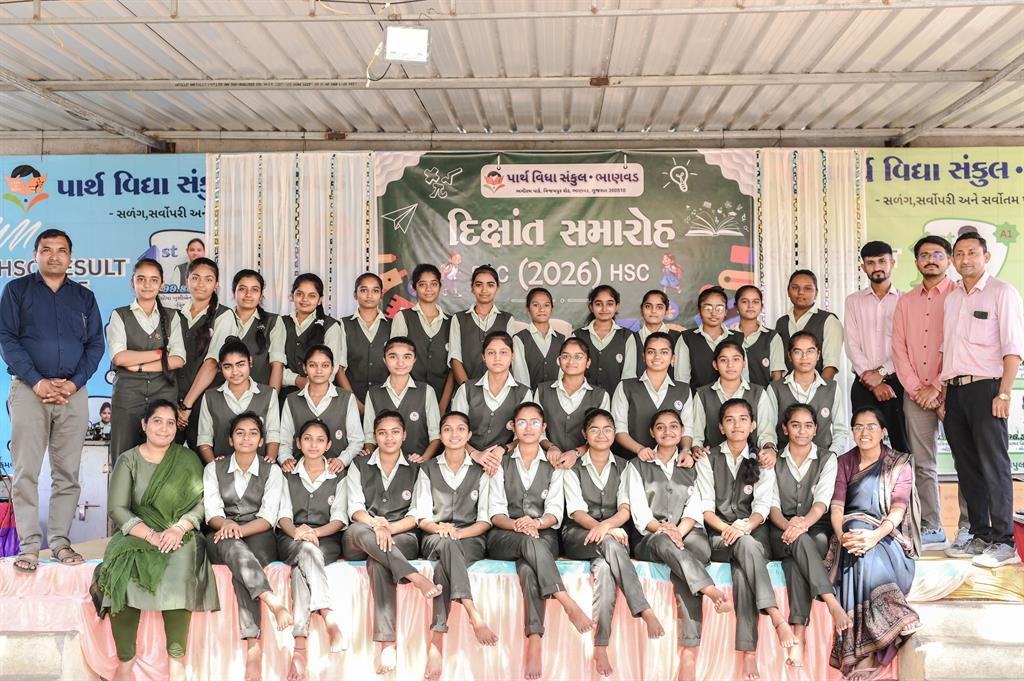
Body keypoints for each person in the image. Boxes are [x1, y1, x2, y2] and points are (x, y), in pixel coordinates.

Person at [0, 228, 104, 573]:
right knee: (26, 472)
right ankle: (30, 547)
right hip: (29, 391)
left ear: (71, 258)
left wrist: (73, 384)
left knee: (67, 474)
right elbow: (7, 339)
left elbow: (95, 345)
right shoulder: (16, 291)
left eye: (61, 250)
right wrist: (38, 382)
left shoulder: (83, 297)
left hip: (72, 394)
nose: (54, 255)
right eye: (47, 249)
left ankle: (59, 543)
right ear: (36, 255)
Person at [92, 400, 219, 681]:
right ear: (144, 424)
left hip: (179, 534)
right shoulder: (128, 460)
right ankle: (125, 661)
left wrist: (179, 528)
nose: (164, 428)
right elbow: (117, 509)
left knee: (181, 565)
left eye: (170, 422)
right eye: (157, 421)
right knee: (122, 572)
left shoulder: (187, 459)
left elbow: (202, 503)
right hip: (137, 533)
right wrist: (150, 534)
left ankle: (176, 661)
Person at [486, 402, 594, 681]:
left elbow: (555, 511)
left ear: (544, 427)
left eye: (535, 422)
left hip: (542, 532)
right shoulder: (501, 463)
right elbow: (495, 512)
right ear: (513, 427)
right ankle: (565, 599)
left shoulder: (554, 465)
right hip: (505, 534)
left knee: (527, 568)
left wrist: (536, 523)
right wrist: (517, 524)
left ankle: (534, 639)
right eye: (521, 422)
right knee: (528, 544)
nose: (528, 428)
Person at [623, 409, 731, 681]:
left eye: (674, 427)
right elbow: (639, 512)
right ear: (652, 433)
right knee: (670, 546)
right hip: (652, 537)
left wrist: (678, 532)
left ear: (682, 431)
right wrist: (663, 530)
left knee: (687, 555)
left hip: (687, 533)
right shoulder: (636, 465)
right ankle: (692, 645)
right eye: (660, 427)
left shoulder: (691, 465)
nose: (667, 432)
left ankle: (689, 654)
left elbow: (695, 508)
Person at [696, 398, 798, 680]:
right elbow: (706, 508)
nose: (737, 425)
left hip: (751, 533)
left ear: (753, 425)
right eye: (729, 420)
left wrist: (744, 527)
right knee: (747, 547)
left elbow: (762, 507)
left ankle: (748, 654)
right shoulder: (707, 459)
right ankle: (775, 616)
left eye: (743, 419)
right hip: (719, 535)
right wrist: (728, 529)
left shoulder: (762, 461)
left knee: (743, 572)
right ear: (720, 426)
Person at [939, 231, 1023, 568]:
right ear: (953, 260)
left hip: (987, 389)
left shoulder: (1002, 292)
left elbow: (1013, 347)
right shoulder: (952, 299)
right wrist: (945, 395)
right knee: (967, 467)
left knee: (994, 465)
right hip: (955, 391)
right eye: (959, 254)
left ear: (986, 257)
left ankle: (1005, 542)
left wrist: (1004, 391)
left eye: (972, 253)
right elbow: (948, 351)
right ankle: (981, 534)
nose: (965, 259)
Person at [562, 408, 664, 678]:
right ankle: (643, 608)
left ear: (614, 433)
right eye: (594, 429)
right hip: (579, 536)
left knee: (606, 572)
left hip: (613, 536)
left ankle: (601, 645)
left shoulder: (625, 466)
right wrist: (604, 530)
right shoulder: (573, 467)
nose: (602, 434)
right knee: (610, 543)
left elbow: (625, 508)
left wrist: (607, 527)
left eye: (607, 429)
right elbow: (576, 511)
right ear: (585, 434)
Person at [345, 410, 443, 675]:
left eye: (395, 432)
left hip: (400, 536)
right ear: (374, 436)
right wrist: (376, 525)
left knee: (379, 561)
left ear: (404, 435)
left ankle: (387, 642)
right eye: (382, 432)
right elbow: (355, 508)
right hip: (364, 533)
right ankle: (415, 577)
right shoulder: (359, 465)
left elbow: (416, 514)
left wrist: (390, 528)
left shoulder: (416, 468)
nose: (389, 438)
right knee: (358, 531)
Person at [829, 406, 921, 679]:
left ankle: (863, 653)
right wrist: (843, 537)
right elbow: (837, 508)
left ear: (883, 431)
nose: (864, 432)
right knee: (855, 534)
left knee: (862, 549)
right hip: (850, 538)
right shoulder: (844, 462)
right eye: (858, 427)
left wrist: (873, 537)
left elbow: (897, 511)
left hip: (887, 539)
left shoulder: (899, 463)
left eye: (871, 427)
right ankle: (891, 623)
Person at [891, 235, 970, 552]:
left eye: (938, 254)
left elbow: (957, 345)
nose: (931, 260)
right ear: (916, 262)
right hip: (916, 395)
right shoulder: (905, 301)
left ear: (949, 260)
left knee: (966, 460)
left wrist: (937, 387)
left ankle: (968, 528)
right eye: (924, 255)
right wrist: (917, 389)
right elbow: (899, 350)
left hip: (953, 391)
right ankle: (932, 526)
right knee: (923, 464)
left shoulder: (960, 296)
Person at [411, 411, 498, 681]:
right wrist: (440, 528)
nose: (454, 434)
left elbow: (485, 520)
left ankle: (437, 639)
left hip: (470, 538)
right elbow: (422, 516)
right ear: (441, 434)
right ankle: (472, 612)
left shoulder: (481, 471)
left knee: (443, 569)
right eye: (447, 429)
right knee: (447, 546)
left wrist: (459, 533)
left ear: (469, 435)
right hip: (435, 537)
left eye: (461, 429)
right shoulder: (427, 468)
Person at [203, 411, 290, 681]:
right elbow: (212, 512)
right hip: (221, 533)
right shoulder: (213, 468)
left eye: (253, 433)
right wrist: (227, 524)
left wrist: (237, 529)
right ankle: (270, 602)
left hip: (258, 533)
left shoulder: (272, 471)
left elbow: (268, 517)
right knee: (234, 548)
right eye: (239, 433)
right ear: (230, 440)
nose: (246, 438)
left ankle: (253, 647)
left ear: (262, 440)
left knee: (242, 558)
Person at [767, 403, 851, 669]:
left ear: (816, 429)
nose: (802, 431)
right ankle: (831, 602)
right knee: (801, 544)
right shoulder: (774, 460)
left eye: (808, 425)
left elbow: (822, 503)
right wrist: (788, 525)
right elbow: (772, 507)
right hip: (779, 530)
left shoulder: (827, 459)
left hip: (812, 527)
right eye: (795, 425)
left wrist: (802, 524)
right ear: (785, 429)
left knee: (796, 562)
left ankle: (799, 635)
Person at [277, 419, 349, 681]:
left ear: (328, 445)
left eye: (320, 440)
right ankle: (328, 616)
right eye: (307, 438)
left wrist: (314, 533)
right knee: (305, 552)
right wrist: (297, 532)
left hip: (325, 539)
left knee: (301, 568)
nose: (313, 445)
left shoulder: (338, 476)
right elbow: (283, 515)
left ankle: (299, 647)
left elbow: (339, 518)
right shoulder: (286, 474)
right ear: (298, 442)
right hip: (290, 537)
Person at [107, 258, 185, 464]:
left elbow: (178, 359)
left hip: (164, 393)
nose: (147, 284)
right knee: (123, 457)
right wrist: (160, 353)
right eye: (141, 279)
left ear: (161, 284)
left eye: (153, 280)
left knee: (163, 458)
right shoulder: (120, 315)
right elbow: (119, 357)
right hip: (127, 396)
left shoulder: (172, 316)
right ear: (132, 282)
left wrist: (139, 366)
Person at [178, 269, 279, 412]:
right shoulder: (222, 317)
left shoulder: (273, 322)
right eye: (242, 289)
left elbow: (277, 366)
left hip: (258, 399)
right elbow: (212, 362)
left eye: (254, 290)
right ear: (233, 292)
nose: (248, 294)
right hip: (222, 398)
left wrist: (270, 403)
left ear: (261, 294)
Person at [844, 241, 908, 453]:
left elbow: (907, 346)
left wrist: (881, 373)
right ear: (863, 267)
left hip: (899, 384)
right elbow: (851, 344)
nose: (877, 267)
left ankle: (903, 478)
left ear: (892, 263)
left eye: (882, 261)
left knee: (902, 445)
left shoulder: (906, 300)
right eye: (870, 263)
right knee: (866, 445)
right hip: (863, 385)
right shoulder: (853, 301)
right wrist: (872, 382)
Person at [175, 257, 231, 450]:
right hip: (175, 402)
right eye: (195, 278)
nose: (201, 284)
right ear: (187, 280)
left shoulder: (223, 315)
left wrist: (187, 405)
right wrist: (177, 404)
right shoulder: (176, 315)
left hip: (205, 402)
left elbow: (212, 363)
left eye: (208, 279)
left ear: (216, 285)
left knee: (205, 458)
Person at [277, 345, 362, 472]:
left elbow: (356, 440)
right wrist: (286, 459)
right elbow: (285, 440)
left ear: (332, 368)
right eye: (312, 365)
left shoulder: (346, 398)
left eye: (325, 365)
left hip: (337, 474)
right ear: (305, 368)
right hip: (300, 473)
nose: (319, 370)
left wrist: (342, 460)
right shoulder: (292, 400)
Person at [195, 338, 280, 464]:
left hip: (259, 468)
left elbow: (273, 434)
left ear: (250, 362)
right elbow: (204, 438)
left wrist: (268, 465)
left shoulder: (268, 394)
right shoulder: (210, 396)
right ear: (220, 367)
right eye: (228, 366)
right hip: (222, 468)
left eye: (240, 364)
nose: (235, 372)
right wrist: (214, 467)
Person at [690, 340, 777, 461]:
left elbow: (766, 433)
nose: (730, 365)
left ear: (744, 363)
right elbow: (696, 435)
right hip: (712, 462)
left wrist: (769, 449)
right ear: (715, 364)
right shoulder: (703, 395)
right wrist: (696, 449)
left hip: (752, 461)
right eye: (723, 360)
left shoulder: (758, 393)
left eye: (736, 359)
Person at [450, 330, 533, 457]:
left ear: (512, 356)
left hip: (505, 460)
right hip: (467, 459)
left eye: (503, 352)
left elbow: (526, 435)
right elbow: (454, 432)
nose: (497, 358)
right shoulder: (466, 390)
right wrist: (475, 454)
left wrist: (504, 449)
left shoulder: (524, 393)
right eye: (491, 352)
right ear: (483, 356)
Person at [612, 332, 693, 459]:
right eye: (651, 352)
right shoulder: (625, 387)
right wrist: (639, 449)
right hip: (632, 461)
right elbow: (618, 429)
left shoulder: (684, 390)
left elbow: (687, 429)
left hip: (672, 463)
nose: (657, 357)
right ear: (643, 356)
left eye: (664, 352)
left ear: (673, 358)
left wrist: (686, 450)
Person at [768, 331, 849, 458]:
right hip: (784, 461)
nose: (804, 357)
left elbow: (840, 431)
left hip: (822, 461)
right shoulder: (775, 388)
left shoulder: (831, 388)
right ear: (789, 356)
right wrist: (771, 451)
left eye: (810, 351)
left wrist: (830, 457)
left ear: (818, 355)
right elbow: (768, 430)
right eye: (798, 352)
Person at [362, 336, 441, 462]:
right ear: (384, 359)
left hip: (417, 465)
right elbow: (369, 437)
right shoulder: (373, 393)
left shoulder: (426, 391)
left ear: (414, 359)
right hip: (383, 465)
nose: (400, 363)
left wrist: (423, 459)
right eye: (393, 357)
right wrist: (371, 461)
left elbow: (435, 435)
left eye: (407, 357)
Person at [536, 337, 611, 466]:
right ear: (559, 361)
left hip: (586, 465)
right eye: (565, 356)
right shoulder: (542, 391)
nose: (571, 361)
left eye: (578, 357)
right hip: (548, 463)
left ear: (588, 362)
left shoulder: (600, 395)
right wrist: (551, 447)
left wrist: (576, 453)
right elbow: (535, 429)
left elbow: (603, 436)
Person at [271, 273, 343, 402]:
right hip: (285, 397)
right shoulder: (281, 322)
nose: (305, 299)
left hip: (320, 397)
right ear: (292, 296)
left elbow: (332, 369)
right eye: (300, 294)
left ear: (320, 300)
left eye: (312, 295)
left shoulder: (331, 326)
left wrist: (310, 381)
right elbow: (275, 366)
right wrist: (297, 380)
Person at [390, 264, 453, 410]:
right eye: (422, 284)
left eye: (433, 284)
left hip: (442, 397)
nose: (428, 289)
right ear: (414, 287)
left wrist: (443, 406)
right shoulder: (403, 317)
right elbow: (396, 360)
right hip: (408, 397)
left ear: (440, 286)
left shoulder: (451, 322)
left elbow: (453, 367)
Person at [449, 264, 516, 386]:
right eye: (479, 285)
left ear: (497, 288)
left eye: (490, 285)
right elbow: (455, 359)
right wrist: (467, 390)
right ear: (472, 288)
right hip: (465, 389)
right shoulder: (458, 319)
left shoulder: (507, 320)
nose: (484, 290)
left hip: (499, 389)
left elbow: (509, 359)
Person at [775, 270, 844, 380]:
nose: (800, 292)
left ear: (816, 293)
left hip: (817, 387)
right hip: (786, 388)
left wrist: (819, 389)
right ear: (788, 291)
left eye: (807, 288)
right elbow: (778, 364)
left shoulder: (829, 320)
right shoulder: (781, 322)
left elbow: (831, 365)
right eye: (795, 288)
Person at [673, 286, 744, 389]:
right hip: (696, 398)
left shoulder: (738, 338)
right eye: (708, 308)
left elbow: (744, 377)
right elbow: (682, 381)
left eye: (719, 308)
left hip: (732, 398)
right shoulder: (687, 338)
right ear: (699, 310)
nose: (713, 313)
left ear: (725, 311)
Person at [573, 285, 639, 395]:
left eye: (609, 304)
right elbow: (571, 372)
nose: (604, 309)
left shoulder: (626, 336)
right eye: (598, 304)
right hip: (583, 401)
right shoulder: (577, 336)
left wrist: (621, 401)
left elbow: (628, 377)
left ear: (616, 307)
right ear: (591, 307)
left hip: (616, 401)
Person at [340, 273, 391, 405]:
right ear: (355, 294)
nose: (369, 295)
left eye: (375, 291)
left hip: (386, 400)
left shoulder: (393, 325)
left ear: (381, 295)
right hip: (350, 400)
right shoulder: (343, 324)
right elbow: (339, 369)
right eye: (363, 290)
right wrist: (354, 402)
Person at [729, 285, 785, 387]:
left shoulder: (772, 337)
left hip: (765, 395)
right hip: (732, 395)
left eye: (755, 302)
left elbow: (777, 376)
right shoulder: (727, 336)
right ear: (736, 307)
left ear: (761, 307)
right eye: (745, 301)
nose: (750, 306)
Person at [511, 287, 566, 391]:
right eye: (536, 305)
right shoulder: (519, 339)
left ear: (552, 308)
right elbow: (520, 377)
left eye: (546, 305)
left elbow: (564, 375)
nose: (542, 309)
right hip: (529, 398)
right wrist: (529, 398)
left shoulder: (562, 339)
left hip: (557, 398)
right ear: (528, 309)